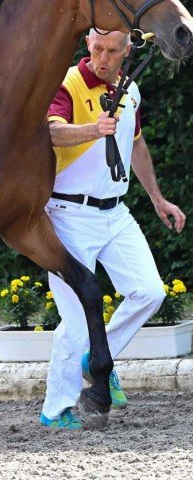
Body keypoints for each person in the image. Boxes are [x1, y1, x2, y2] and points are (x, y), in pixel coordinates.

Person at [40, 29, 186, 429]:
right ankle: (55, 409)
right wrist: (92, 129)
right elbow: (49, 131)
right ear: (88, 44)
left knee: (149, 292)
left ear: (128, 51)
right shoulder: (68, 82)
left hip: (115, 213)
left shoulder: (130, 87)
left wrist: (157, 199)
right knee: (73, 319)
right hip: (68, 214)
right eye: (97, 48)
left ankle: (96, 355)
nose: (103, 58)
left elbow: (136, 144)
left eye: (112, 51)